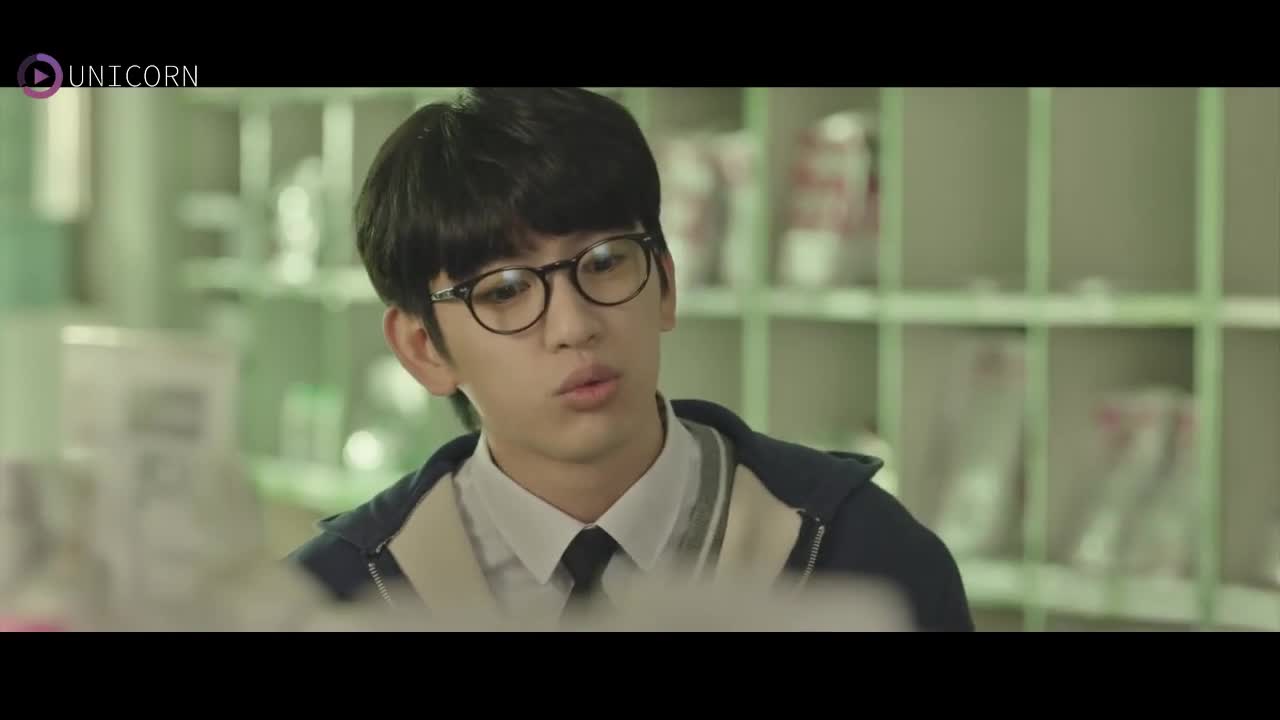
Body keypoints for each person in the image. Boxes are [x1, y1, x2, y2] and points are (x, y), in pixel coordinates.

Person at [287, 87, 974, 631]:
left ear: (666, 284)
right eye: (505, 291)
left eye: (605, 263)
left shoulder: (867, 555)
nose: (574, 326)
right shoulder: (335, 601)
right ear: (422, 349)